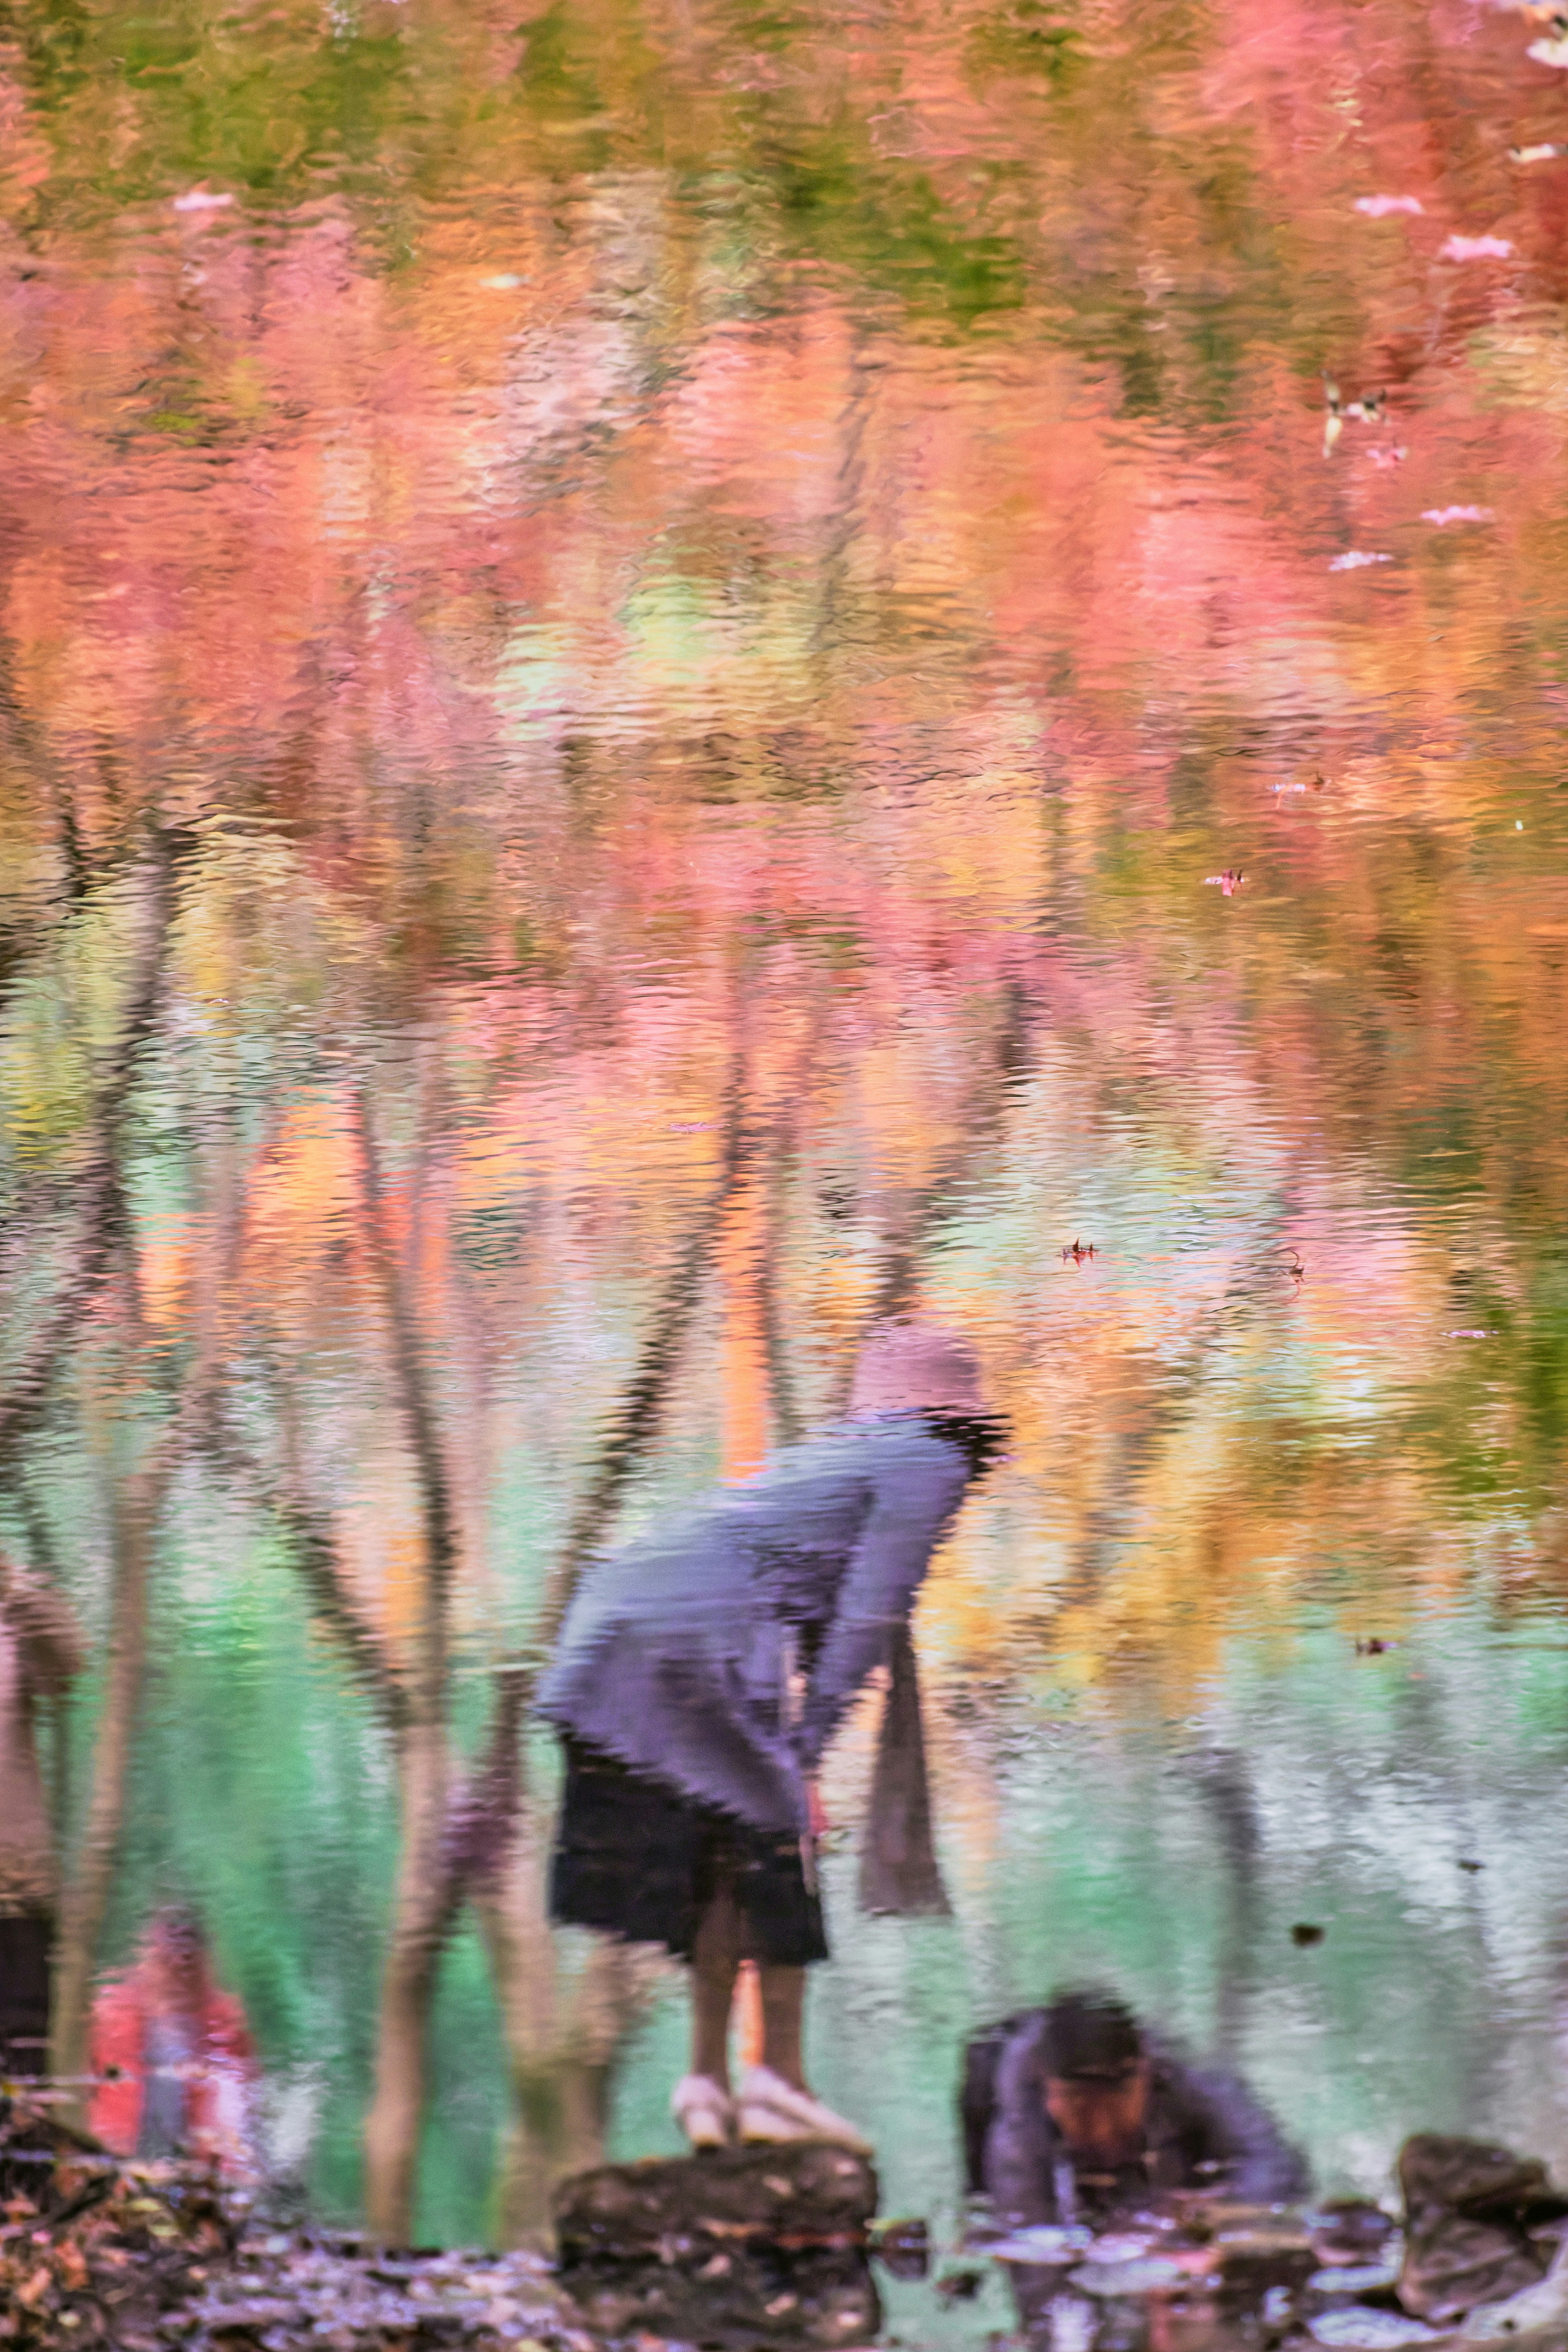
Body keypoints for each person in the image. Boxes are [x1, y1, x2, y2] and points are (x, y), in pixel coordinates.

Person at [537, 1320, 1005, 2154]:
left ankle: (709, 2082)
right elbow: (870, 1610)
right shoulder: (926, 1461)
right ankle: (776, 2082)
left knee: (731, 1851)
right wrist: (810, 1746)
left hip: (614, 1623)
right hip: (693, 1638)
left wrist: (798, 1746)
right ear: (959, 1418)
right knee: (777, 1844)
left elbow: (820, 1606)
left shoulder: (837, 1460)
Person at [964, 1987, 1307, 2230]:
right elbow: (1024, 2226)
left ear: (1143, 2073)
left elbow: (1272, 2160)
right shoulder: (1018, 2120)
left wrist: (1221, 2212)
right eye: (1081, 2113)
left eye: (1114, 2116)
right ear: (1047, 2087)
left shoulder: (1183, 2071)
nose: (1100, 2131)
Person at [89, 1905, 259, 2176]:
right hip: (120, 2166)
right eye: (169, 1958)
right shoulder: (115, 2012)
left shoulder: (224, 2020)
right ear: (148, 1955)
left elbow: (239, 2105)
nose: (180, 1967)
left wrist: (226, 2171)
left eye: (189, 1959)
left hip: (196, 2175)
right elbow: (87, 2091)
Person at [0, 1559, 86, 2077]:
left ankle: (24, 2159)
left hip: (18, 1894)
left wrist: (21, 1592)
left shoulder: (13, 1614)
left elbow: (66, 1671)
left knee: (26, 2076)